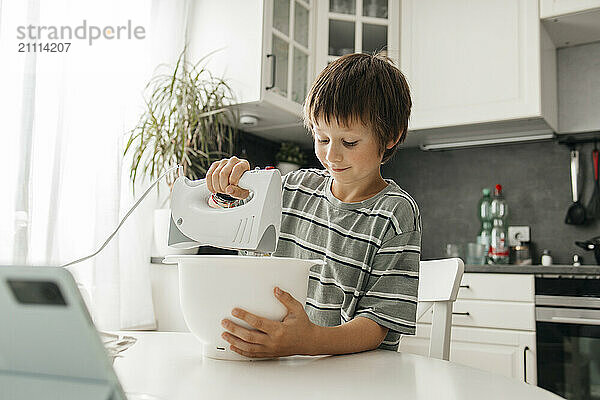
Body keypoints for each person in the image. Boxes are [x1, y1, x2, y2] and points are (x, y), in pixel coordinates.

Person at [206, 52, 421, 358]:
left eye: (349, 143)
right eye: (322, 139)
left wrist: (308, 341)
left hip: (355, 375)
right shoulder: (293, 187)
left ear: (390, 137)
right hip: (283, 366)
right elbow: (234, 225)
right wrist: (226, 191)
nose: (332, 156)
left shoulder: (395, 213)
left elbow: (377, 324)